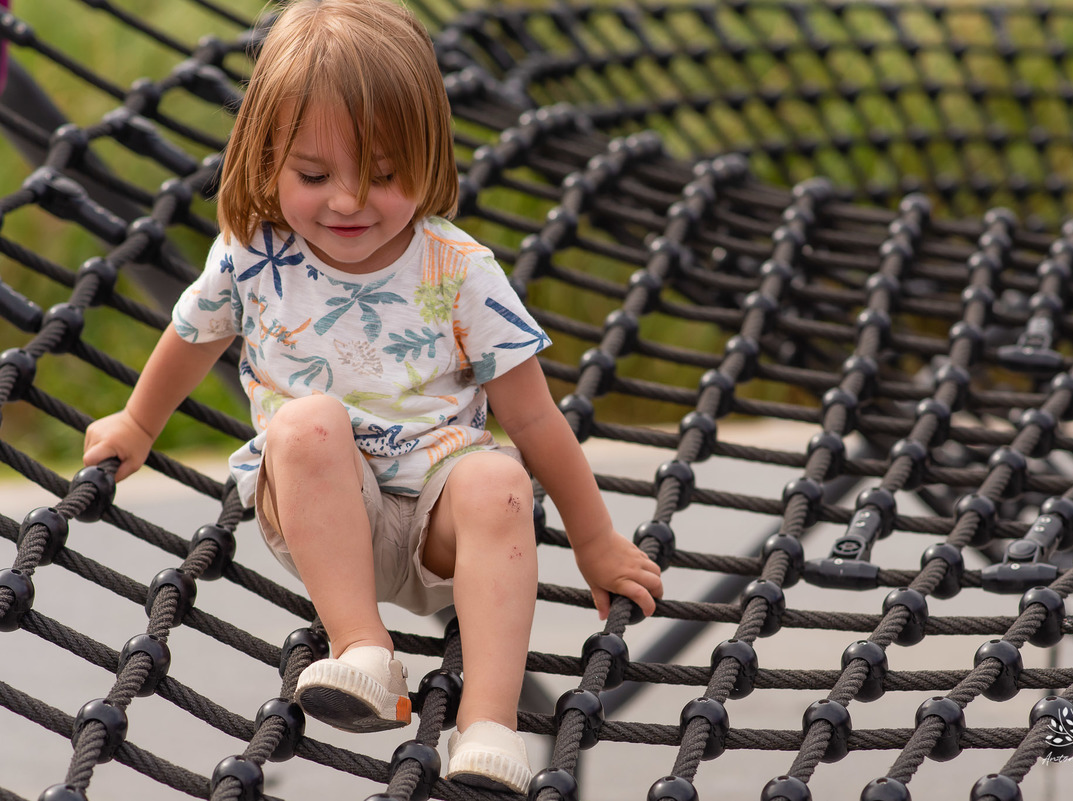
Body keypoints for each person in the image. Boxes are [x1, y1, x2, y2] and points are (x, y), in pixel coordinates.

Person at [81, 0, 663, 792]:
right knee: (307, 424)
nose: (348, 202)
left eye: (384, 175)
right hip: (320, 507)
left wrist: (595, 539)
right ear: (264, 159)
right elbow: (194, 335)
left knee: (497, 476)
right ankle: (363, 652)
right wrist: (139, 421)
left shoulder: (458, 270)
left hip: (441, 528)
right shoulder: (255, 254)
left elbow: (531, 415)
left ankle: (488, 725)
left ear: (428, 160)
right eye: (313, 176)